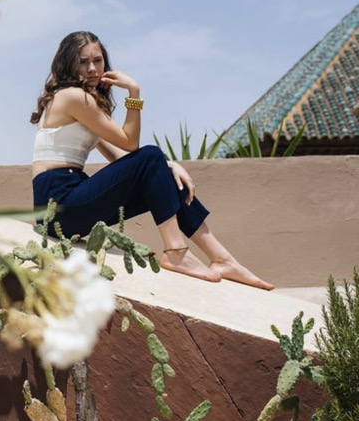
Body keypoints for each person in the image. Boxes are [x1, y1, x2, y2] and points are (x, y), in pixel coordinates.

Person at [30, 31, 273, 290]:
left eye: (98, 61)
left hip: (69, 204)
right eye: (82, 61)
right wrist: (134, 92)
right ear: (68, 63)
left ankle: (222, 258)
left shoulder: (83, 103)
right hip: (58, 203)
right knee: (151, 155)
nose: (92, 69)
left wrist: (167, 166)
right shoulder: (73, 97)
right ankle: (176, 252)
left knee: (162, 172)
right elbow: (131, 143)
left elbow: (124, 158)